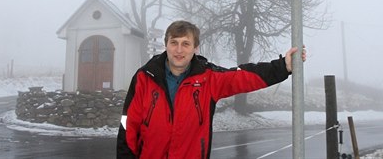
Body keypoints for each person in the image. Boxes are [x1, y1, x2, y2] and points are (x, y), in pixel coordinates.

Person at [116, 20, 307, 159]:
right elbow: (128, 127)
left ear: (195, 48)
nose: (179, 50)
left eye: (185, 44)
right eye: (174, 43)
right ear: (166, 45)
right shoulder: (144, 77)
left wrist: (283, 66)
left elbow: (243, 77)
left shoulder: (208, 78)